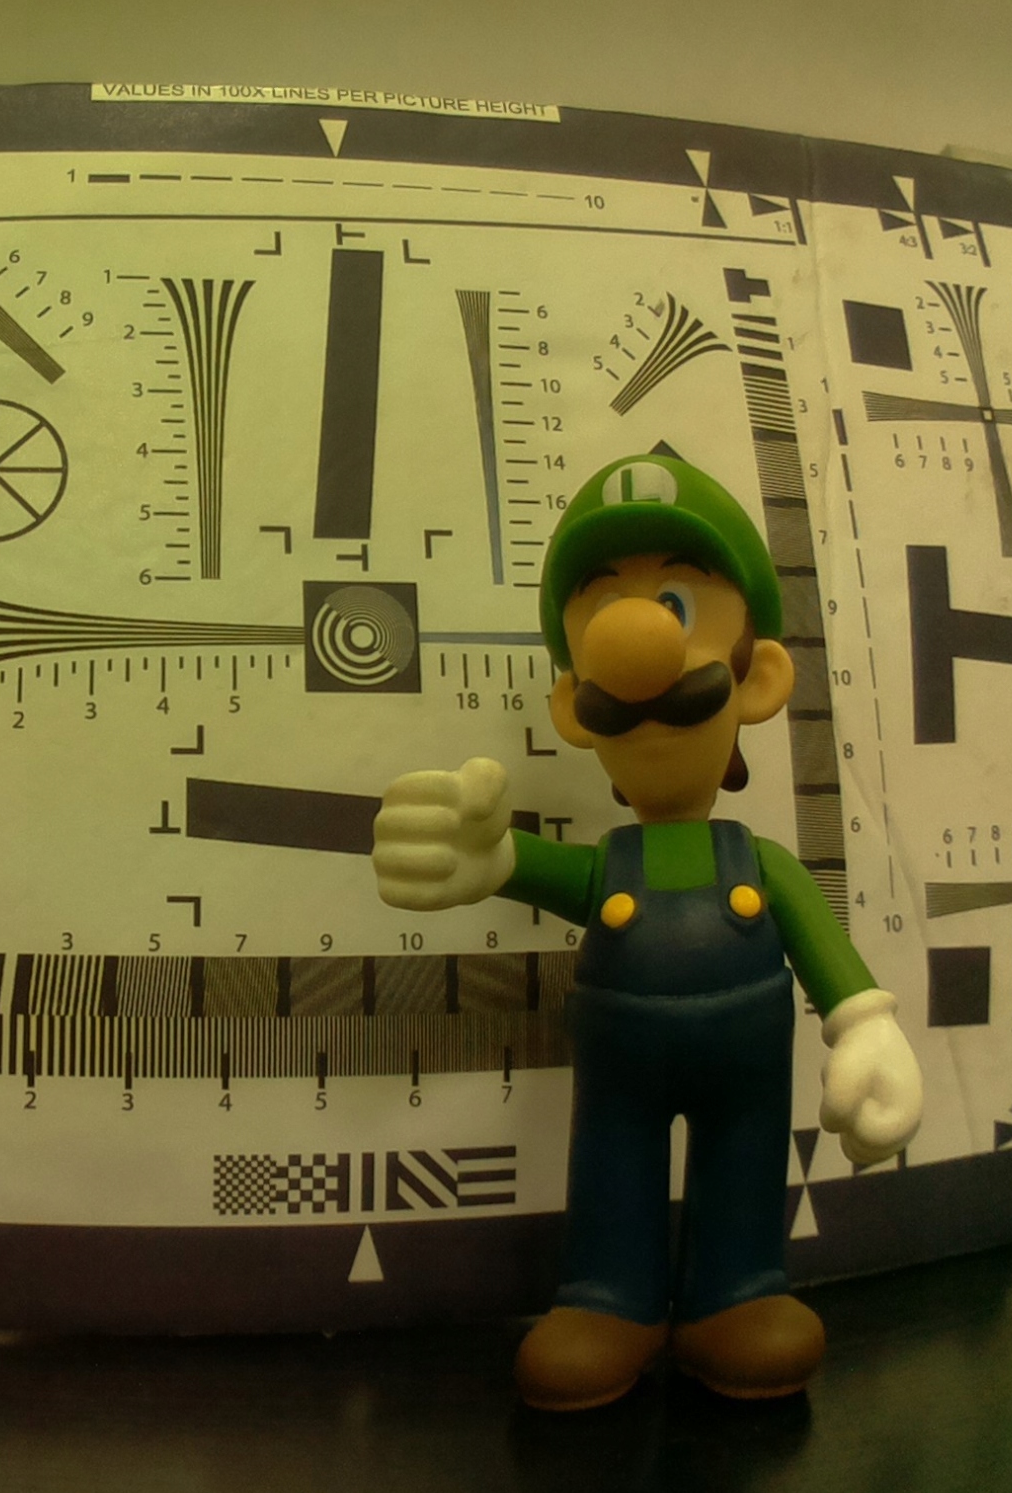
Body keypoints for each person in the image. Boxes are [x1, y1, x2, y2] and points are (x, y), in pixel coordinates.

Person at [373, 453, 920, 1410]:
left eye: (675, 604)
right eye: (606, 618)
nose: (641, 647)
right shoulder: (606, 868)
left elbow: (820, 944)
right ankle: (608, 1299)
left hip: (750, 1071)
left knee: (746, 1163)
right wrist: (487, 862)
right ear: (573, 706)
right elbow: (535, 867)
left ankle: (736, 1295)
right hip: (619, 1073)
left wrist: (866, 1025)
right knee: (612, 1165)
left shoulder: (761, 864)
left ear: (760, 678)